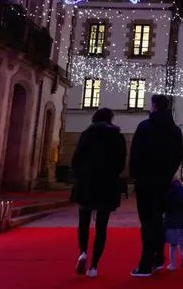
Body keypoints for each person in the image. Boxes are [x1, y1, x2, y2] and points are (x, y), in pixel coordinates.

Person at [129, 94, 183, 278]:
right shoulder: (175, 130)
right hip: (163, 182)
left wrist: (137, 176)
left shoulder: (144, 127)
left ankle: (145, 263)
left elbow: (135, 154)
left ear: (154, 107)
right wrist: (167, 175)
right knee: (159, 219)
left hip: (146, 182)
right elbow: (178, 156)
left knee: (147, 222)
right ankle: (159, 257)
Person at [70, 107, 127, 278]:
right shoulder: (118, 137)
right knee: (102, 226)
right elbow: (121, 162)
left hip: (87, 182)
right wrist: (112, 175)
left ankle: (83, 252)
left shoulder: (87, 134)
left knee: (84, 221)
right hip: (107, 183)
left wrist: (80, 175)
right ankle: (94, 266)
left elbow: (76, 159)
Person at [163, 179, 183, 270]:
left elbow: (165, 207)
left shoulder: (169, 193)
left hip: (171, 222)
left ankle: (172, 265)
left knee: (172, 245)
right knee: (181, 242)